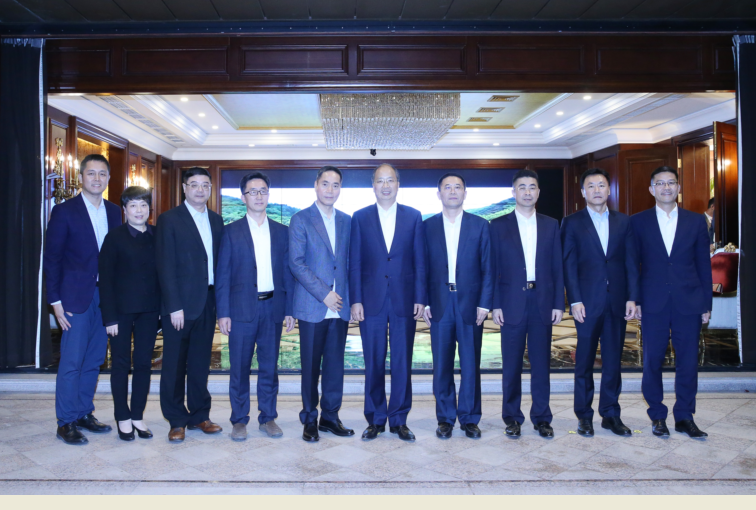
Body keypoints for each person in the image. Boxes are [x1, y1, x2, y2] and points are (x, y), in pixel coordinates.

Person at [44, 153, 121, 445]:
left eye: (102, 174)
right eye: (91, 173)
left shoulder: (115, 212)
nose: (97, 179)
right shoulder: (64, 211)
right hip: (74, 298)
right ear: (81, 177)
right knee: (72, 362)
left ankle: (83, 412)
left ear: (108, 178)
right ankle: (65, 422)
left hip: (106, 297)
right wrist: (55, 301)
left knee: (94, 360)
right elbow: (52, 259)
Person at [632, 166, 712, 439]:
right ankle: (657, 415)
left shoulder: (696, 221)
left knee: (688, 362)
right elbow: (632, 265)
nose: (666, 187)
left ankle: (685, 416)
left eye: (671, 183)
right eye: (660, 183)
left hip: (688, 302)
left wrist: (706, 303)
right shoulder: (638, 221)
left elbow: (703, 265)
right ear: (651, 189)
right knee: (652, 361)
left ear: (678, 187)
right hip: (652, 302)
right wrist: (635, 299)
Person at [350, 163, 426, 442]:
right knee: (374, 361)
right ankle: (376, 419)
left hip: (404, 299)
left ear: (397, 184)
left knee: (402, 362)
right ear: (373, 185)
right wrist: (355, 299)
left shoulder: (413, 216)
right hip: (371, 301)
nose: (385, 185)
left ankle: (399, 419)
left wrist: (420, 297)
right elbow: (354, 263)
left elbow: (420, 262)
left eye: (390, 180)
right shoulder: (360, 217)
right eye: (380, 180)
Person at [560, 168, 639, 437]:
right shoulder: (572, 222)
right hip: (586, 303)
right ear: (583, 192)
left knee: (613, 361)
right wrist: (575, 300)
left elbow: (631, 263)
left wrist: (632, 296)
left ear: (609, 189)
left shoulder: (623, 221)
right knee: (584, 361)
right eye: (591, 186)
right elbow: (568, 265)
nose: (597, 190)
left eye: (601, 185)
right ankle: (584, 415)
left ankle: (611, 414)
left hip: (617, 301)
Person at [216, 172, 294, 441]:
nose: (259, 196)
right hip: (240, 311)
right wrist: (223, 313)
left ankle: (268, 417)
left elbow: (288, 274)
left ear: (268, 195)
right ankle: (239, 420)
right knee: (239, 368)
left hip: (273, 308)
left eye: (263, 191)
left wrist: (289, 309)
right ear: (243, 197)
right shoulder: (231, 231)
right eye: (253, 191)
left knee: (270, 367)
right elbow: (223, 275)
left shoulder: (282, 232)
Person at [490, 169, 564, 439]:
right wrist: (495, 304)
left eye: (532, 187)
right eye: (522, 187)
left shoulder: (551, 224)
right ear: (514, 192)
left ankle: (542, 418)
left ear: (538, 192)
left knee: (541, 365)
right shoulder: (498, 225)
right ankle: (512, 417)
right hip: (510, 302)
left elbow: (557, 266)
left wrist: (558, 303)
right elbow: (492, 269)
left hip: (542, 301)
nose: (527, 192)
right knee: (511, 366)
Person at [156, 167, 224, 442]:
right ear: (184, 188)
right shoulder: (169, 219)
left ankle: (199, 416)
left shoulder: (217, 220)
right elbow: (165, 265)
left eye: (205, 185)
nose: (200, 190)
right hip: (179, 306)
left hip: (207, 301)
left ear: (210, 189)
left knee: (200, 363)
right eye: (194, 184)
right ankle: (176, 420)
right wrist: (174, 305)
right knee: (173, 364)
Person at [422, 173, 492, 440]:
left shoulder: (480, 225)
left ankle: (470, 418)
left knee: (471, 365)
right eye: (447, 187)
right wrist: (424, 301)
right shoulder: (427, 227)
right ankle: (445, 418)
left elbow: (488, 267)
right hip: (439, 304)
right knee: (442, 365)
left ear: (465, 193)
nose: (452, 191)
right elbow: (421, 268)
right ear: (438, 193)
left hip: (471, 305)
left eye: (458, 187)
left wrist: (485, 303)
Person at [289, 166, 355, 442]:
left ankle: (330, 417)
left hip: (340, 307)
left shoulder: (347, 221)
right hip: (313, 305)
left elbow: (351, 263)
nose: (330, 190)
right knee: (310, 367)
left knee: (335, 368)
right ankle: (309, 419)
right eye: (325, 183)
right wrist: (324, 293)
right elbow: (296, 263)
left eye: (335, 185)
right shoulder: (301, 219)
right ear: (316, 185)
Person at [98, 186, 160, 442]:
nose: (139, 210)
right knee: (121, 364)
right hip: (120, 313)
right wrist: (109, 317)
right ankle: (122, 417)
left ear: (149, 209)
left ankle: (137, 415)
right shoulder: (114, 238)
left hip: (150, 311)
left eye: (143, 205)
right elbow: (105, 280)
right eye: (133, 205)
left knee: (144, 364)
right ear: (124, 210)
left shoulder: (158, 235)